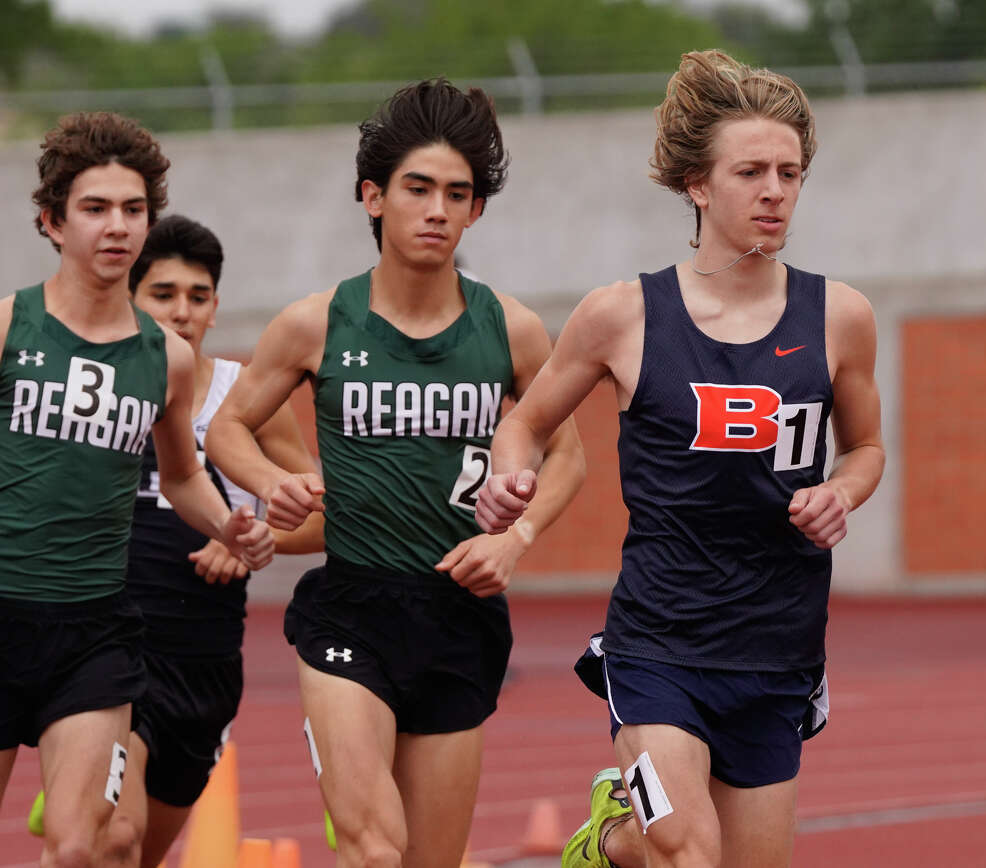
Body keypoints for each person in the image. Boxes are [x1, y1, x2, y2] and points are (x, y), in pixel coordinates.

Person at [475, 50, 885, 868]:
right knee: (689, 852)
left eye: (790, 173)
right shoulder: (622, 316)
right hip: (661, 645)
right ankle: (632, 832)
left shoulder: (840, 316)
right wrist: (506, 474)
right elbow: (525, 424)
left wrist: (843, 490)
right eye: (751, 172)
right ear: (699, 185)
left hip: (778, 649)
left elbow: (867, 448)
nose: (775, 190)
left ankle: (619, 841)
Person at [0, 112, 275, 868]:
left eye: (134, 210)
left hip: (94, 634)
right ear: (51, 221)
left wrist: (227, 525)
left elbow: (180, 474)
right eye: (96, 209)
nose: (118, 227)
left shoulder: (166, 360)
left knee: (84, 845)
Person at [204, 78, 586, 868]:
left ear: (476, 209)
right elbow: (229, 430)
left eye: (457, 193)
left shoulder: (510, 328)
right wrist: (273, 483)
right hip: (351, 610)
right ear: (373, 197)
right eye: (418, 189)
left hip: (458, 615)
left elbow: (570, 457)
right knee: (374, 848)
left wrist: (516, 542)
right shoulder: (316, 322)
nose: (437, 210)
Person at [90, 213, 322, 868]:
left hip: (202, 659)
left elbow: (323, 513)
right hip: (107, 645)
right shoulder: (96, 392)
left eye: (197, 297)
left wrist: (243, 533)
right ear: (129, 299)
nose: (182, 312)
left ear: (215, 308)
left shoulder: (245, 399)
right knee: (114, 839)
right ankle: (78, 780)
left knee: (141, 852)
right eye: (163, 295)